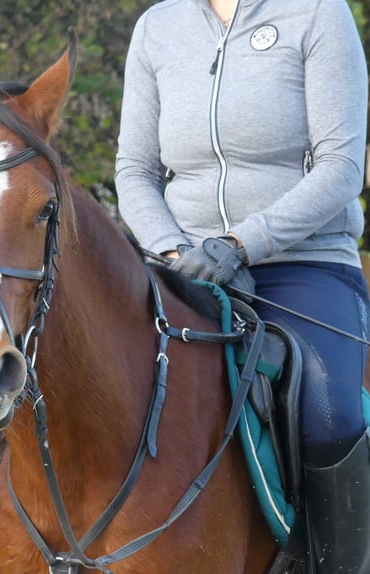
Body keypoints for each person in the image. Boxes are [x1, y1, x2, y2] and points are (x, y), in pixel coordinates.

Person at [114, 0, 370, 571]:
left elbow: (341, 166)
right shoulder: (158, 26)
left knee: (331, 415)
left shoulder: (319, 14)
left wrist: (239, 244)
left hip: (302, 260)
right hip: (182, 267)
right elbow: (135, 169)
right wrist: (175, 250)